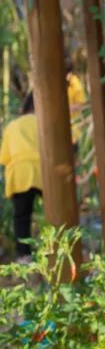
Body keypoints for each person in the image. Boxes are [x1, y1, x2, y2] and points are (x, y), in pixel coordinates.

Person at [0, 94, 42, 261]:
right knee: (54, 211)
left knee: (22, 217)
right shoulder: (42, 122)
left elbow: (3, 158)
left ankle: (24, 256)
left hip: (19, 174)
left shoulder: (12, 126)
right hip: (42, 172)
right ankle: (59, 248)